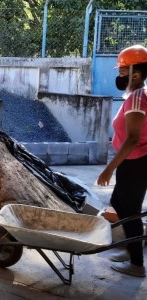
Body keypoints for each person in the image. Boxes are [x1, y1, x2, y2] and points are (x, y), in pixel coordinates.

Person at [97, 44, 147, 278]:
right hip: (133, 162)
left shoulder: (137, 99)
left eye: (122, 71)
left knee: (129, 210)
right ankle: (131, 249)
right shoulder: (135, 95)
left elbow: (132, 139)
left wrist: (109, 169)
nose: (119, 75)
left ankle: (137, 264)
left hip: (135, 162)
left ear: (135, 74)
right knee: (121, 203)